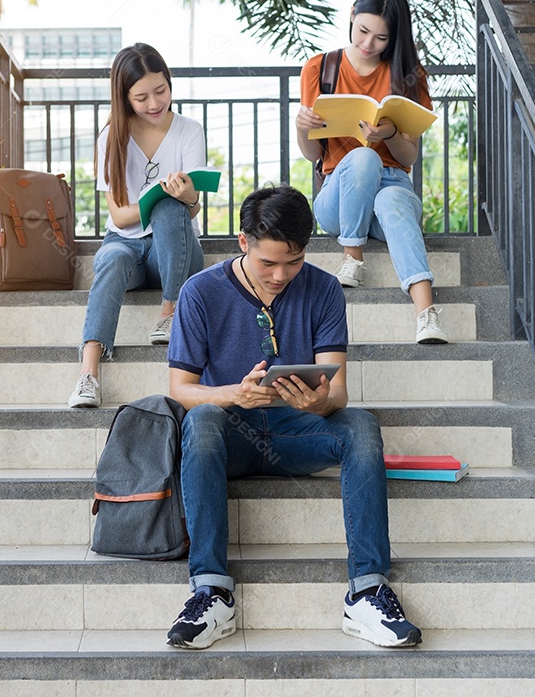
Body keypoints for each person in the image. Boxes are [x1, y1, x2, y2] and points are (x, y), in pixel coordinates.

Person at [164, 184, 421, 650]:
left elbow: (338, 391)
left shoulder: (323, 289)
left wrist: (317, 403)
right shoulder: (199, 292)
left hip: (296, 432)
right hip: (233, 436)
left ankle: (367, 591)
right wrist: (234, 395)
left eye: (294, 261)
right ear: (243, 243)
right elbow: (180, 390)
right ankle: (211, 590)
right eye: (269, 262)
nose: (281, 275)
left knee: (361, 424)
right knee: (200, 419)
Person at [296, 0, 449, 345]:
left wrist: (391, 133)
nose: (368, 44)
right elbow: (313, 155)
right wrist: (301, 128)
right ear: (351, 15)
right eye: (363, 31)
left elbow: (409, 156)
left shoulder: (410, 75)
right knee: (362, 156)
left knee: (392, 199)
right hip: (339, 196)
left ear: (394, 37)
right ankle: (353, 256)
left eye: (381, 38)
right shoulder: (320, 68)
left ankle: (426, 314)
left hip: (393, 185)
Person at [69, 43, 206, 408]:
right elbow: (118, 216)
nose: (154, 103)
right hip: (126, 245)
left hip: (174, 253)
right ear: (125, 97)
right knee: (112, 256)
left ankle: (169, 312)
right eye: (142, 97)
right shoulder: (111, 137)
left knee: (169, 209)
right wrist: (157, 192)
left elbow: (191, 211)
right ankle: (88, 375)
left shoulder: (189, 131)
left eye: (161, 91)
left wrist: (186, 196)